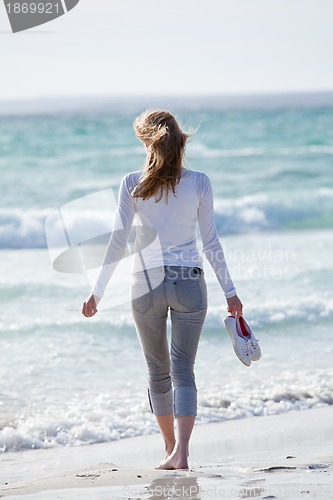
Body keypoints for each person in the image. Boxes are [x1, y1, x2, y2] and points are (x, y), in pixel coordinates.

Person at [82, 110, 242, 470]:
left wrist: (98, 293)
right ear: (181, 141)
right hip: (189, 283)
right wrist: (230, 292)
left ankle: (169, 448)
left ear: (144, 141)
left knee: (158, 371)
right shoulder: (200, 182)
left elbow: (117, 242)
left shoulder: (131, 184)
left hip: (146, 284)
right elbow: (211, 241)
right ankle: (182, 452)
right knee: (183, 370)